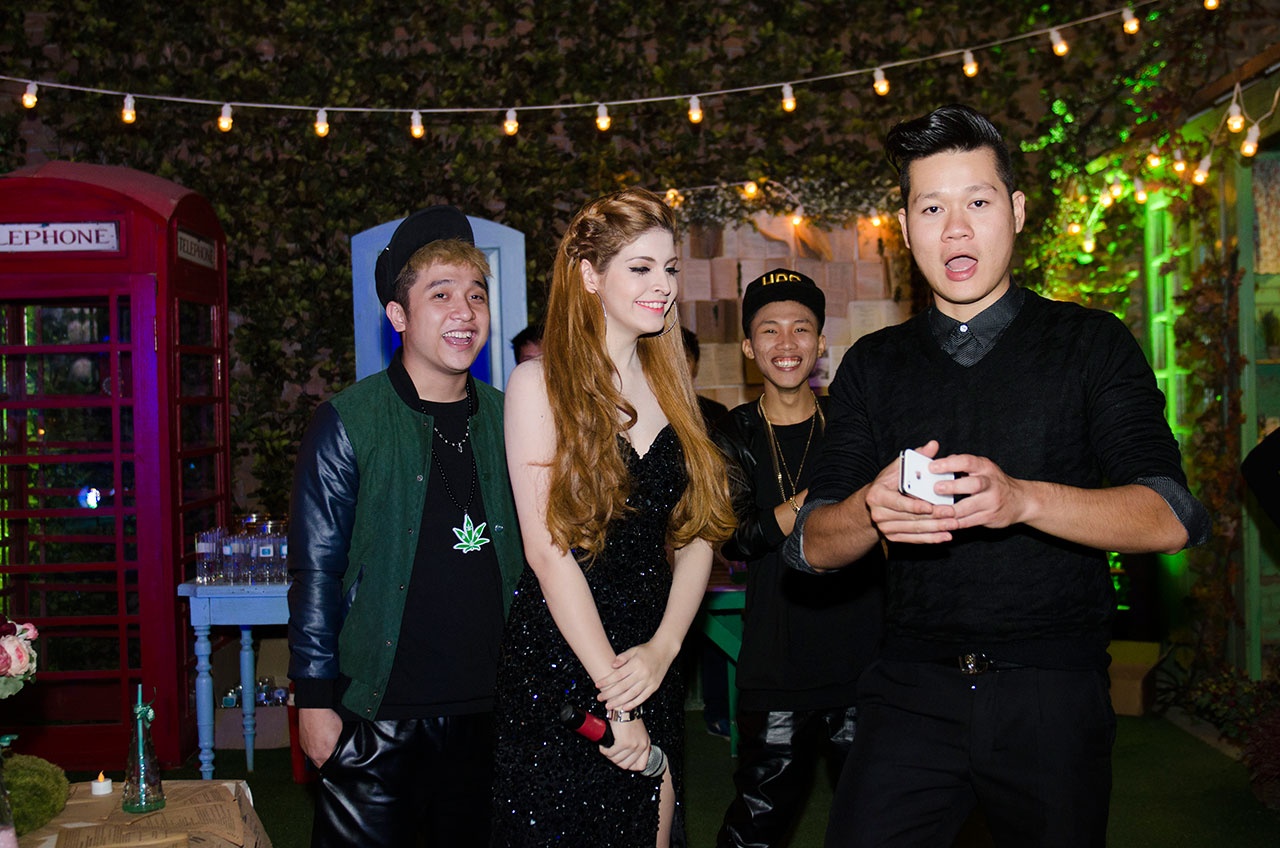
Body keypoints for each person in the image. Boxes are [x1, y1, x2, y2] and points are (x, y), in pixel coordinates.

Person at [783, 105, 1211, 847]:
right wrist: (870, 510)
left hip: (1053, 688)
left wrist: (1023, 500)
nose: (956, 229)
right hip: (910, 688)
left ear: (1015, 211)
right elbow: (809, 544)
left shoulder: (1091, 345)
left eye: (977, 203)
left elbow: (1171, 515)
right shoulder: (874, 366)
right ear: (905, 228)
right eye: (932, 208)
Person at [491, 186, 736, 847]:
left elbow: (698, 535)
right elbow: (548, 555)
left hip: (649, 659)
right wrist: (616, 694)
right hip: (565, 661)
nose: (663, 286)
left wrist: (664, 649)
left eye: (670, 268)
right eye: (641, 267)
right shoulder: (538, 385)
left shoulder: (674, 390)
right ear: (589, 276)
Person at [287, 206, 525, 847]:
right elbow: (316, 571)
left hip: (491, 713)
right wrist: (313, 699)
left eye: (476, 294)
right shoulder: (349, 421)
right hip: (376, 715)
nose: (464, 311)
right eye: (441, 294)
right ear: (398, 315)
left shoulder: (511, 418)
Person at [713, 269, 882, 848]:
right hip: (778, 662)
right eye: (769, 330)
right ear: (748, 346)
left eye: (801, 328)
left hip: (865, 658)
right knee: (757, 822)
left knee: (881, 821)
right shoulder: (733, 433)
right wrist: (815, 498)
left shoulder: (854, 424)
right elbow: (735, 539)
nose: (786, 343)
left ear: (821, 342)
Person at [679, 324, 732, 739]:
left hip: (707, 538)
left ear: (695, 365)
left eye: (685, 361)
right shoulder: (635, 411)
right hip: (654, 545)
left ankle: (718, 709)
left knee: (716, 631)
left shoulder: (715, 414)